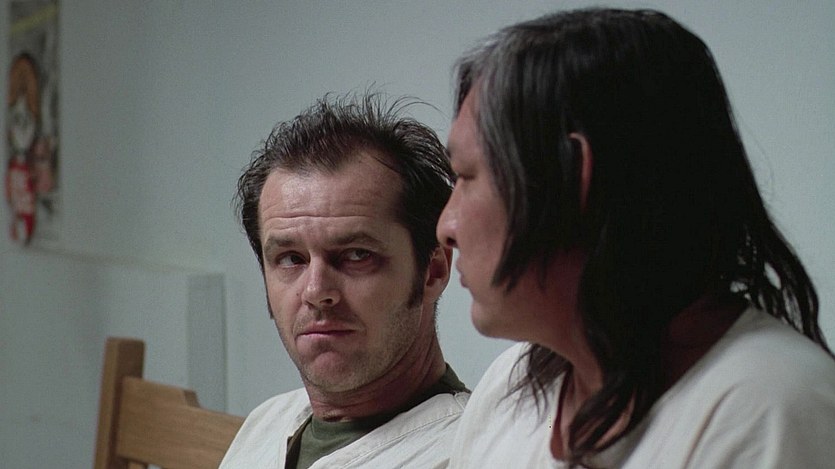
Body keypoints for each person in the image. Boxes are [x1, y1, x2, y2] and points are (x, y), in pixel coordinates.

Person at [437, 8, 835, 468]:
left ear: (571, 176)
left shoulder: (773, 411)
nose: (446, 228)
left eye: (467, 176)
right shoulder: (510, 386)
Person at [222, 92, 468, 468]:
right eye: (291, 259)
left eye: (356, 255)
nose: (316, 291)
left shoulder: (469, 452)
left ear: (433, 271)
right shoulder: (266, 424)